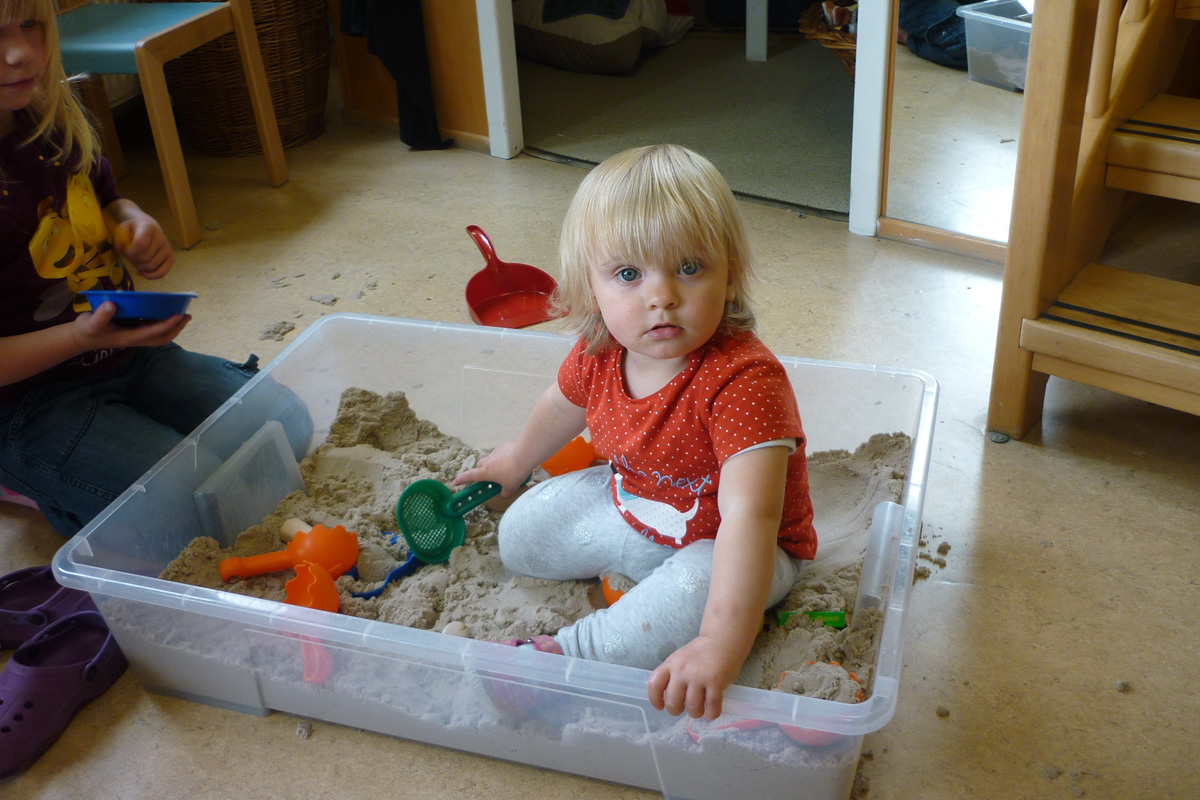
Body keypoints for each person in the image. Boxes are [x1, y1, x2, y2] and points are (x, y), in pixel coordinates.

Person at [455, 144, 816, 721]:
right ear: (590, 289)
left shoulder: (745, 381)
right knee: (519, 537)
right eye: (628, 274)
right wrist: (516, 462)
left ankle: (568, 657)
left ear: (730, 276)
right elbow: (561, 407)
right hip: (634, 503)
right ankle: (637, 577)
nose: (661, 296)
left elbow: (751, 517)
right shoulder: (600, 349)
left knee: (692, 590)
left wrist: (718, 644)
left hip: (733, 549)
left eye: (689, 268)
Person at [0, 0, 307, 537]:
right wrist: (78, 337)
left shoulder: (47, 120)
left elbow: (107, 198)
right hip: (30, 403)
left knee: (288, 426)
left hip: (126, 355)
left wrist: (133, 223)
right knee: (195, 506)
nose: (20, 52)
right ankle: (37, 484)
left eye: (31, 25)